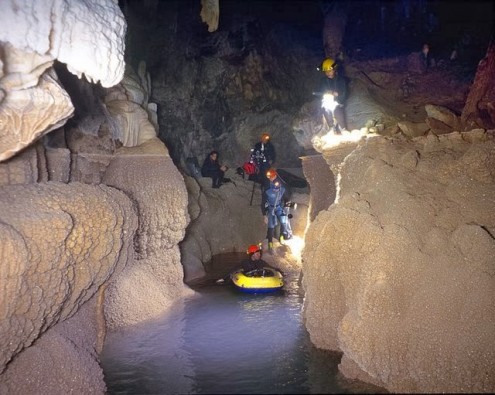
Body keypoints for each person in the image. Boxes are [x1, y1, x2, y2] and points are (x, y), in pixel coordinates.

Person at [262, 168, 291, 254]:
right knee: (271, 226)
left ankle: (282, 238)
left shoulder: (281, 186)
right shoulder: (267, 188)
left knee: (283, 221)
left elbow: (287, 196)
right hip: (271, 208)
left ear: (275, 175)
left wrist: (287, 202)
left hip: (278, 206)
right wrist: (264, 214)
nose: (270, 178)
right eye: (269, 177)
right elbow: (263, 202)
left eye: (271, 177)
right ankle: (270, 244)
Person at [319, 57, 348, 133]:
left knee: (338, 111)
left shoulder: (340, 80)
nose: (328, 72)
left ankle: (343, 129)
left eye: (330, 70)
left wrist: (337, 94)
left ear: (334, 70)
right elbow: (321, 91)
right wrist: (326, 92)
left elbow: (344, 93)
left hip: (338, 102)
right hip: (328, 102)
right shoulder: (323, 81)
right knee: (325, 109)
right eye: (326, 71)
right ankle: (331, 128)